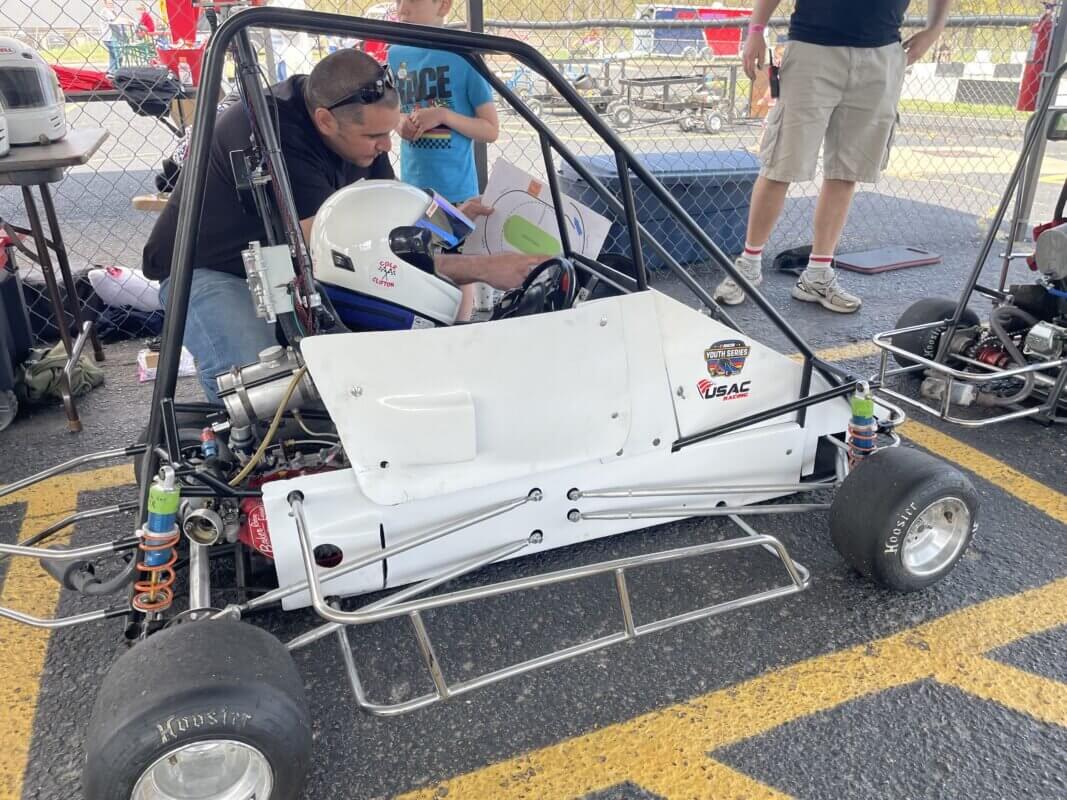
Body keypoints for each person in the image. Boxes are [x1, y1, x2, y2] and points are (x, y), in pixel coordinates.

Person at [142, 49, 540, 403]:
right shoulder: (273, 134)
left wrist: (451, 221)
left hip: (287, 265)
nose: (387, 146)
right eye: (375, 136)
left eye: (389, 132)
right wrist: (481, 268)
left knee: (361, 369)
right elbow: (348, 253)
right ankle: (243, 458)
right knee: (262, 386)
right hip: (210, 269)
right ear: (325, 121)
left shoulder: (357, 126)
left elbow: (389, 218)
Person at [714, 0, 952, 313]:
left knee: (846, 171)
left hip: (881, 55)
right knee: (780, 164)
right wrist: (756, 30)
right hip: (812, 48)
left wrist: (934, 30)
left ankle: (818, 274)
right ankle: (748, 264)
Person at [389, 0, 499, 319]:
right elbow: (393, 112)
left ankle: (461, 330)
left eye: (412, 0)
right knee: (420, 267)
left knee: (457, 270)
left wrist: (444, 116)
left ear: (444, 5)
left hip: (455, 192)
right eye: (398, 0)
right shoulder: (395, 53)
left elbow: (490, 129)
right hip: (413, 190)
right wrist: (400, 124)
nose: (402, 8)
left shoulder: (463, 56)